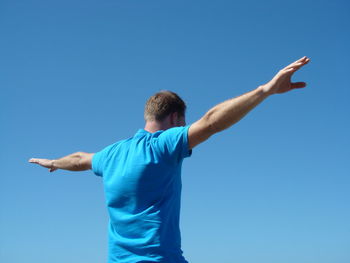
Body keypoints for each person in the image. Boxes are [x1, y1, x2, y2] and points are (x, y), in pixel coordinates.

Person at [29, 56, 310, 263]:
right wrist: (266, 90)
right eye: (183, 122)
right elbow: (212, 123)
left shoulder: (110, 154)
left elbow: (79, 159)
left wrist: (53, 162)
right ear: (175, 118)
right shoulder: (164, 144)